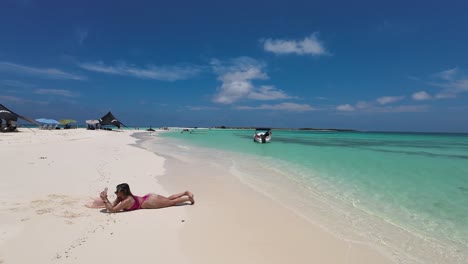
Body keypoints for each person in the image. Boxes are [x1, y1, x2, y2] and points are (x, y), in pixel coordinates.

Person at [97, 183, 195, 213]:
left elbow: (113, 210)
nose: (116, 193)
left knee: (171, 202)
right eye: (116, 191)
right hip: (149, 198)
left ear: (124, 192)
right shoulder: (121, 197)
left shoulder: (128, 200)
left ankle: (188, 198)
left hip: (150, 201)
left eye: (118, 191)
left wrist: (105, 199)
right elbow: (111, 206)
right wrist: (106, 200)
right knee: (168, 199)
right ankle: (185, 192)